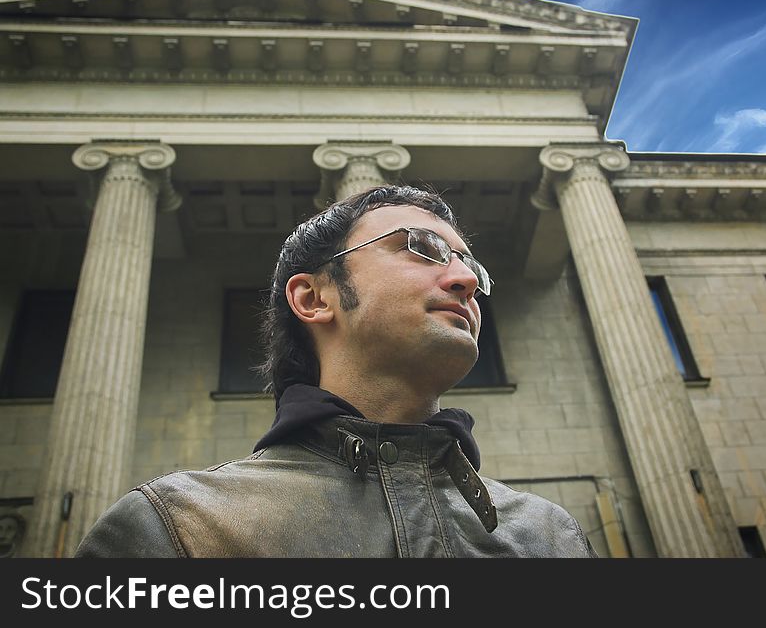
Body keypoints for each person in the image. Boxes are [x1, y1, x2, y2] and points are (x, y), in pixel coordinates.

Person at [76, 185, 597, 557]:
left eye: (471, 267)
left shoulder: (550, 537)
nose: (464, 279)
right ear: (313, 298)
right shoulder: (177, 530)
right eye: (422, 248)